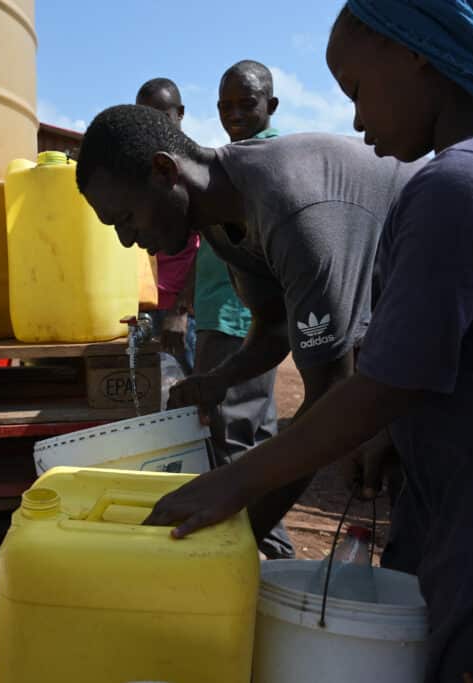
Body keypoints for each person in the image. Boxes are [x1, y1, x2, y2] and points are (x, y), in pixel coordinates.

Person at [145, 0, 473, 677]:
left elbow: (384, 384)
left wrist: (233, 483)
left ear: (418, 50)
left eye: (356, 89)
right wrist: (389, 435)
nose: (355, 118)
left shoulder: (462, 182)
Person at [75, 104, 421, 549]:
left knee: (441, 533)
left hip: (471, 333)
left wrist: (231, 520)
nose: (126, 239)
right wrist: (220, 380)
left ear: (164, 171)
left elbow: (331, 395)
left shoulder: (293, 207)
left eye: (126, 218)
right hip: (407, 348)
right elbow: (275, 327)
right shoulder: (220, 217)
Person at [194, 59, 285, 558]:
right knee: (253, 432)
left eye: (246, 104)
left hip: (241, 322)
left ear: (271, 105)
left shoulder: (264, 163)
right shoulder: (233, 159)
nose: (234, 114)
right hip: (223, 315)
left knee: (233, 439)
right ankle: (267, 551)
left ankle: (266, 554)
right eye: (225, 106)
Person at [135, 78, 199, 373]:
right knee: (152, 399)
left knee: (193, 401)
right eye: (143, 116)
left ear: (180, 113)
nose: (151, 125)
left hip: (182, 314)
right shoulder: (139, 169)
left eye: (160, 116)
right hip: (141, 310)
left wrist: (180, 311)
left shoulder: (196, 166)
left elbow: (208, 247)